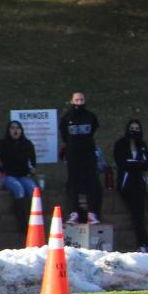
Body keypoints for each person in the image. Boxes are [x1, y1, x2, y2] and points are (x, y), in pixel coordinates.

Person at [0, 119, 39, 231]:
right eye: (12, 128)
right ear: (8, 130)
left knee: (34, 191)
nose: (15, 131)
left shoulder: (27, 144)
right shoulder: (1, 144)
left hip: (23, 175)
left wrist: (32, 169)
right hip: (7, 175)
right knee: (18, 189)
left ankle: (36, 222)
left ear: (21, 131)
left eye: (18, 128)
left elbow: (32, 163)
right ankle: (22, 224)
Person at [60, 90, 101, 224]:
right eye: (77, 100)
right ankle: (74, 212)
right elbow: (64, 134)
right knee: (73, 182)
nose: (79, 102)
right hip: (73, 153)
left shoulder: (90, 116)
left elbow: (94, 128)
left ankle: (92, 213)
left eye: (82, 100)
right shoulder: (67, 117)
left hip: (88, 153)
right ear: (72, 101)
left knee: (91, 182)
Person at [114, 118, 148, 252]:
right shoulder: (120, 144)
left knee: (140, 214)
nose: (134, 131)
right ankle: (142, 243)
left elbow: (146, 164)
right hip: (127, 183)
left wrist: (133, 163)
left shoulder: (142, 145)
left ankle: (145, 243)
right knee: (136, 213)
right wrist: (136, 163)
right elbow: (122, 163)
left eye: (137, 129)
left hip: (139, 183)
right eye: (132, 128)